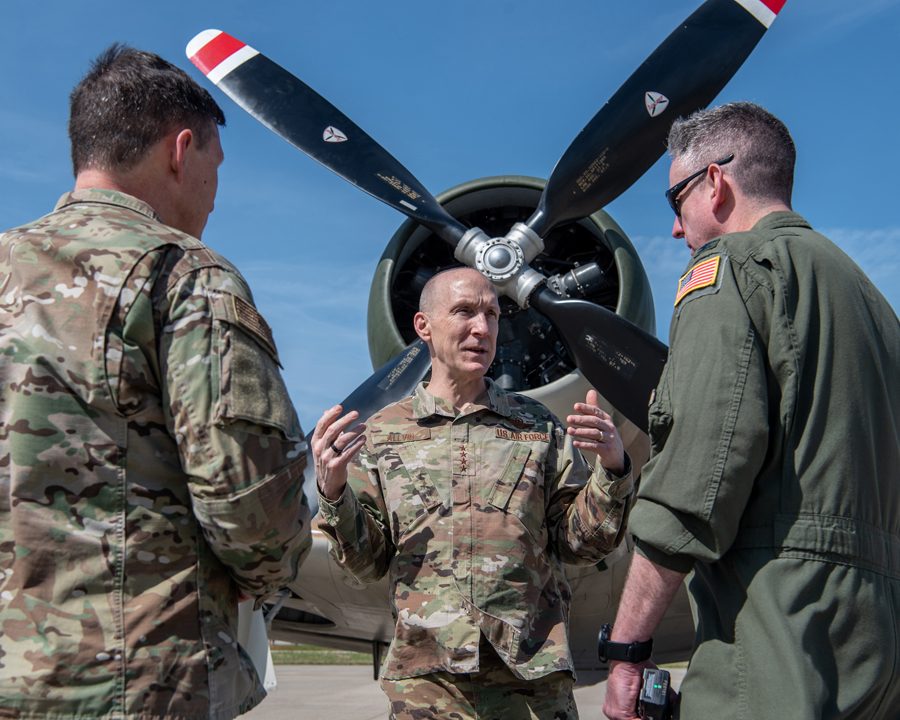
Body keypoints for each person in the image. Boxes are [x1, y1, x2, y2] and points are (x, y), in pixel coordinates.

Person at [0, 45, 312, 719]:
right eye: (214, 165)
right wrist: (278, 571)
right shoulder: (186, 274)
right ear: (181, 149)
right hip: (142, 680)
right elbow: (249, 508)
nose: (214, 188)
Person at [602, 102, 900, 719]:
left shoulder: (731, 269)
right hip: (878, 644)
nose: (677, 231)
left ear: (715, 183)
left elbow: (696, 480)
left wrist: (627, 648)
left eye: (674, 201)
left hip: (777, 638)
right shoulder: (870, 301)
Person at [312, 267, 634, 719]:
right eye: (463, 312)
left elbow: (581, 545)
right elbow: (367, 563)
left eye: (492, 314)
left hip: (532, 683)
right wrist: (333, 490)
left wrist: (612, 469)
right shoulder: (382, 433)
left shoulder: (539, 426)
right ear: (423, 326)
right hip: (428, 685)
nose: (481, 328)